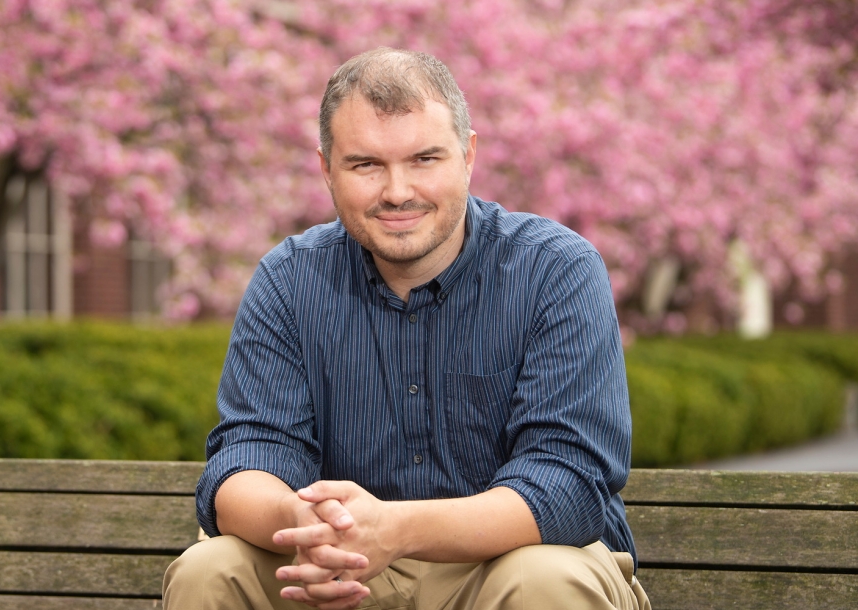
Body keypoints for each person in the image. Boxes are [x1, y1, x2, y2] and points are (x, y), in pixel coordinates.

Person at [163, 47, 651, 610]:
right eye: (365, 164)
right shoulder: (288, 280)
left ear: (468, 156)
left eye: (424, 159)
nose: (397, 191)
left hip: (501, 567)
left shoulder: (555, 270)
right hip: (339, 570)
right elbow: (244, 463)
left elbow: (568, 486)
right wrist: (303, 518)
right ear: (326, 169)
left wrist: (395, 529)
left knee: (547, 580)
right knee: (212, 569)